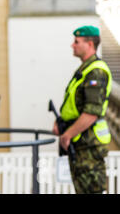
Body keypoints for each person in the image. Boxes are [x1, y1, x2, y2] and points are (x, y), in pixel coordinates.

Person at [53, 25, 112, 194]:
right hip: (82, 144)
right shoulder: (86, 69)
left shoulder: (96, 72)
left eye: (76, 42)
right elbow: (75, 106)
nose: (73, 45)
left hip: (89, 146)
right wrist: (62, 123)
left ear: (90, 44)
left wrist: (67, 134)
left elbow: (92, 112)